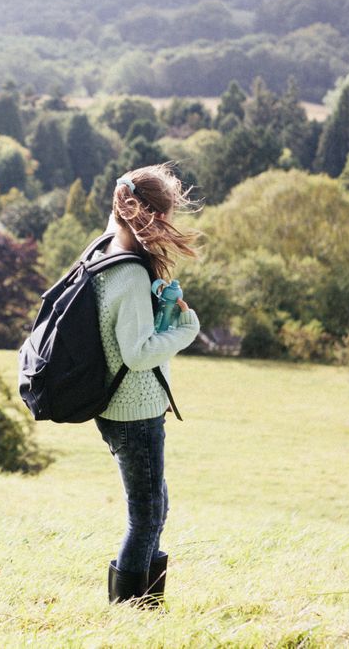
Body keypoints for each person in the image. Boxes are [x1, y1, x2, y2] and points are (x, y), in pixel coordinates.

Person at [91, 163, 201, 607]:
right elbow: (137, 353)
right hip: (133, 409)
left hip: (119, 406)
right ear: (153, 216)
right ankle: (129, 612)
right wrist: (186, 330)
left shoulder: (104, 249)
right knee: (146, 517)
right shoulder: (131, 273)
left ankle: (148, 606)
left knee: (156, 509)